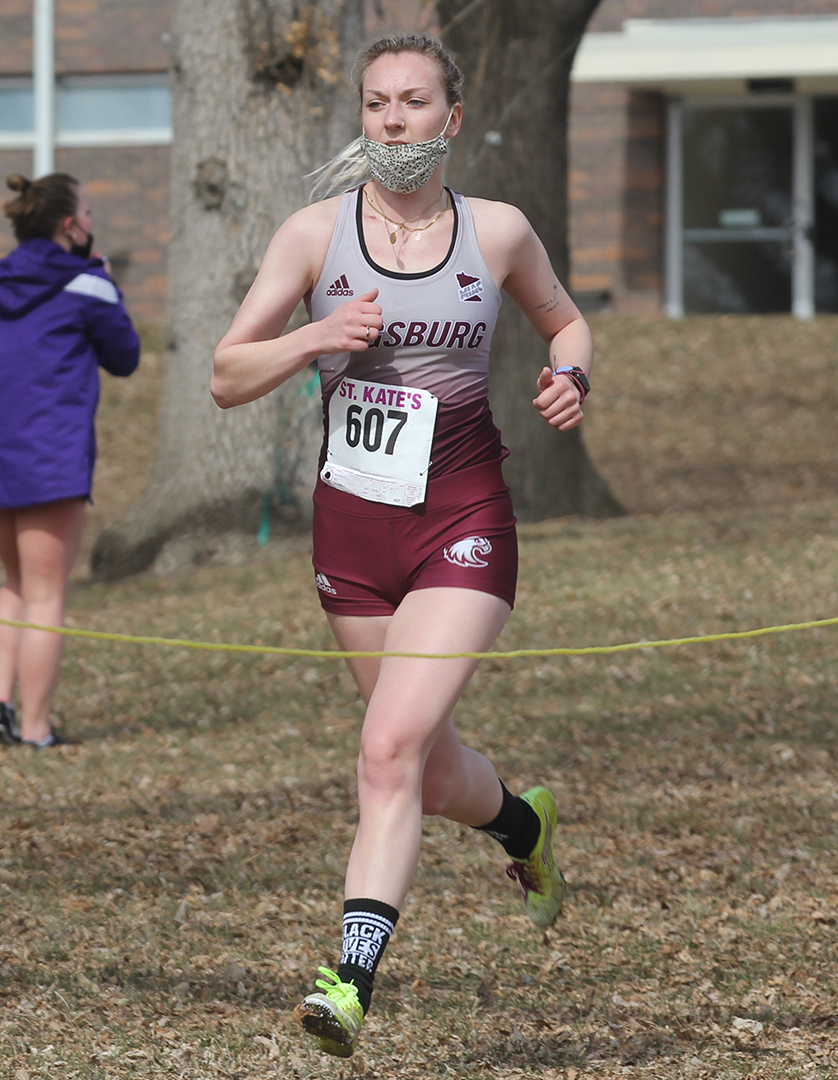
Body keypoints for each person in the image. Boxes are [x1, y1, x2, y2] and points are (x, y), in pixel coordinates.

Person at [209, 33, 589, 1058]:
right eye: (376, 102)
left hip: (463, 525)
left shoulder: (498, 232)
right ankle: (522, 824)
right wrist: (311, 341)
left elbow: (567, 324)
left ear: (450, 118)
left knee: (385, 751)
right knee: (420, 768)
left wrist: (573, 376)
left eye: (412, 102)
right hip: (354, 534)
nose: (390, 120)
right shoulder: (311, 236)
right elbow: (226, 373)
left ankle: (347, 979)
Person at [0, 173, 140, 748]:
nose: (93, 222)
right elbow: (126, 357)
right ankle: (35, 729)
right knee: (44, 594)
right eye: (88, 211)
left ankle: (0, 701)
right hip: (48, 460)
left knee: (15, 581)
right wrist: (109, 286)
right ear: (70, 225)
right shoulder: (90, 285)